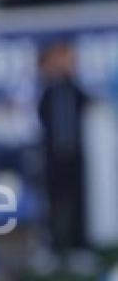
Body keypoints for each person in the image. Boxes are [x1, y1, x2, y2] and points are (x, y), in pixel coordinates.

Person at [37, 41, 90, 261]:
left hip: (75, 154)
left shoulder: (76, 90)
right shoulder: (45, 91)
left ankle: (79, 247)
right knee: (53, 203)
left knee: (78, 201)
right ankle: (54, 248)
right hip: (52, 155)